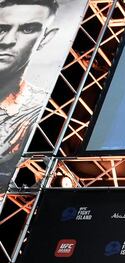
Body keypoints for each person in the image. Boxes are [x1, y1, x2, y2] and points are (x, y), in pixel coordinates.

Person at [0, 0, 60, 178]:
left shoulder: (39, 109)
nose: (7, 41)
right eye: (2, 29)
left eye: (27, 29)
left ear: (45, 38)